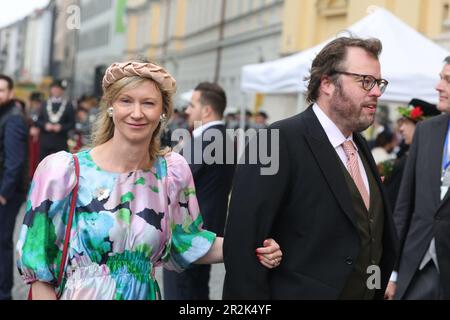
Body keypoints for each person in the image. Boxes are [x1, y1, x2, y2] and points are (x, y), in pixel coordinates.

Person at [16, 61, 282, 300]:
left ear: (163, 113)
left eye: (148, 103)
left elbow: (189, 242)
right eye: (125, 101)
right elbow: (38, 272)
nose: (137, 113)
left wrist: (254, 245)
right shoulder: (63, 171)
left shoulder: (170, 174)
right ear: (110, 107)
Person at [223, 37, 398, 300]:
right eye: (366, 81)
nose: (376, 92)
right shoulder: (276, 140)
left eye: (379, 83)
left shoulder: (360, 147)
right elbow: (243, 247)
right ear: (327, 83)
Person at [385, 58, 450, 300]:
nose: (438, 86)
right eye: (441, 77)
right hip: (413, 270)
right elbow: (404, 207)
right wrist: (392, 272)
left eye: (448, 80)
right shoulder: (426, 131)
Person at [163, 82, 235, 300]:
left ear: (206, 110)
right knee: (196, 292)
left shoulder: (208, 139)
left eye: (192, 105)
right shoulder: (223, 137)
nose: (186, 110)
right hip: (207, 229)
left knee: (182, 293)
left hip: (191, 232)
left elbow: (174, 179)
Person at [382, 99, 440, 211]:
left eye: (407, 122)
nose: (401, 129)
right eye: (401, 123)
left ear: (421, 125)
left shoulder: (425, 160)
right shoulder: (407, 154)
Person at [0, 74, 28, 300]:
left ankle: (4, 292)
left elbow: (15, 160)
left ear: (10, 93)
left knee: (2, 242)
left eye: (1, 90)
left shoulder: (14, 118)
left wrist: (4, 193)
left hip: (7, 192)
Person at [36, 79, 75, 161]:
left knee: (60, 164)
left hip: (61, 141)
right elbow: (38, 121)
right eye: (54, 88)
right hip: (45, 140)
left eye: (58, 88)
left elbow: (72, 124)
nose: (56, 90)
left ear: (62, 90)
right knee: (43, 163)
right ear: (50, 89)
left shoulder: (68, 105)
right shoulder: (44, 104)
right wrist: (45, 125)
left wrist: (61, 127)